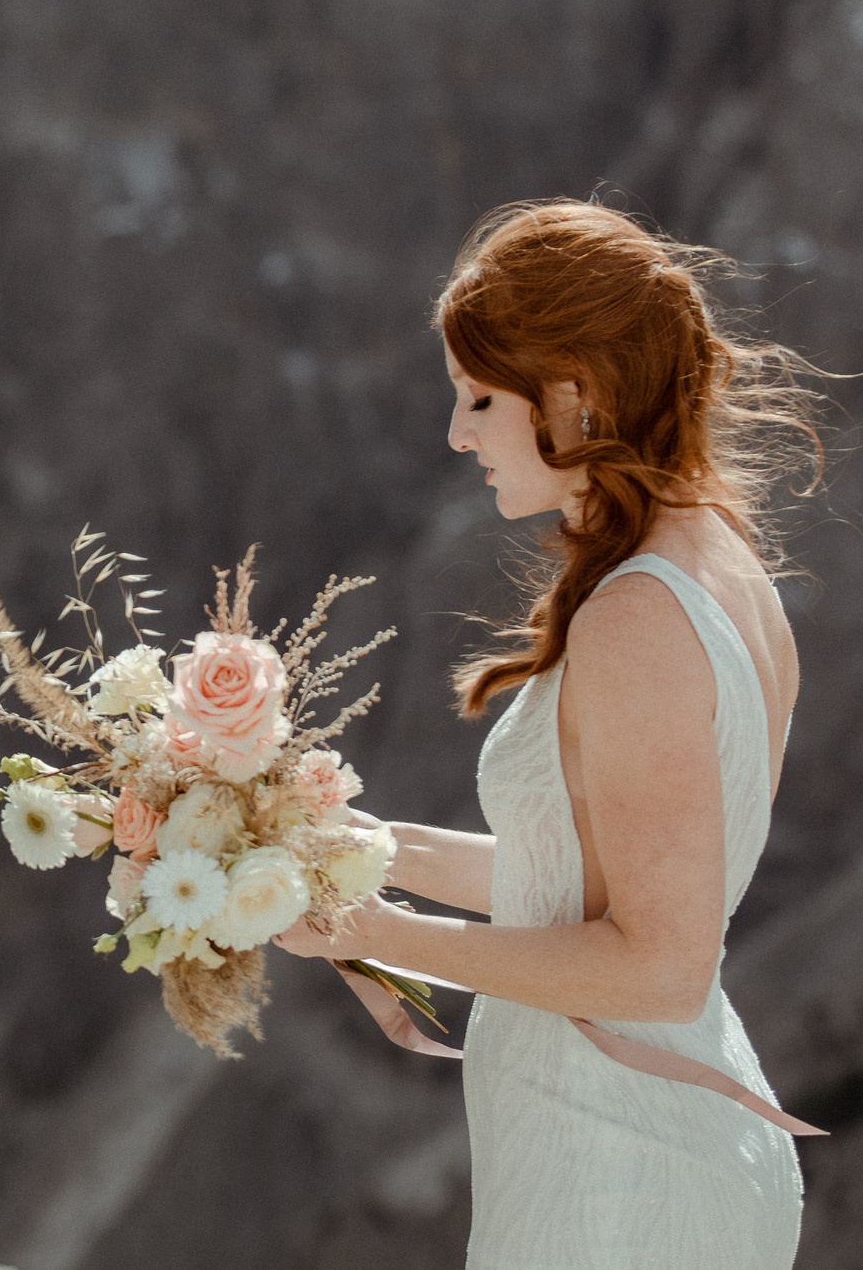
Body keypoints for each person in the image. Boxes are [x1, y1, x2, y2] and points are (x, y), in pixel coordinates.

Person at [278, 199, 823, 1268]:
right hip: (634, 1140)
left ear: (573, 394)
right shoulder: (713, 562)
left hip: (616, 1169)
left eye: (480, 397)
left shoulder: (637, 616)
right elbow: (576, 880)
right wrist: (350, 848)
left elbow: (658, 963)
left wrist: (369, 934)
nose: (457, 433)